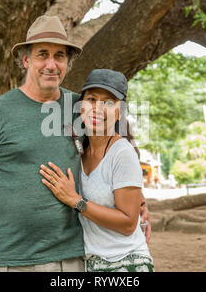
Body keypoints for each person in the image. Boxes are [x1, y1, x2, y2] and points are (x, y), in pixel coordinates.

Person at [0, 15, 150, 272]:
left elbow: (110, 151)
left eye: (59, 56)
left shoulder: (81, 107)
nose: (51, 64)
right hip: (8, 258)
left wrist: (139, 202)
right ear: (26, 60)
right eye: (42, 54)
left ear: (67, 63)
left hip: (69, 258)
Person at [40, 69, 154, 272]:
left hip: (126, 262)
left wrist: (76, 201)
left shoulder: (122, 152)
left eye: (109, 103)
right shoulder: (79, 150)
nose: (98, 109)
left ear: (119, 112)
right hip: (92, 264)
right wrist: (140, 199)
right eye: (92, 99)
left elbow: (128, 223)